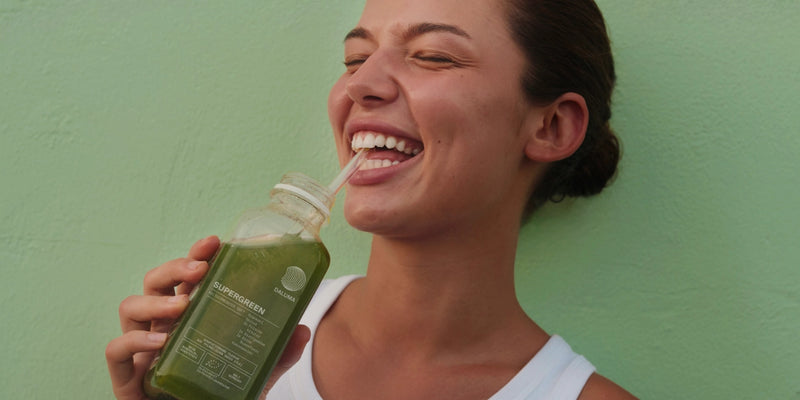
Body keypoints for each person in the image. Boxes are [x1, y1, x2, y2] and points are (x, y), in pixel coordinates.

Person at [106, 0, 636, 398]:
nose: (361, 84)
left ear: (551, 126)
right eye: (355, 58)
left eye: (433, 56)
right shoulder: (231, 342)